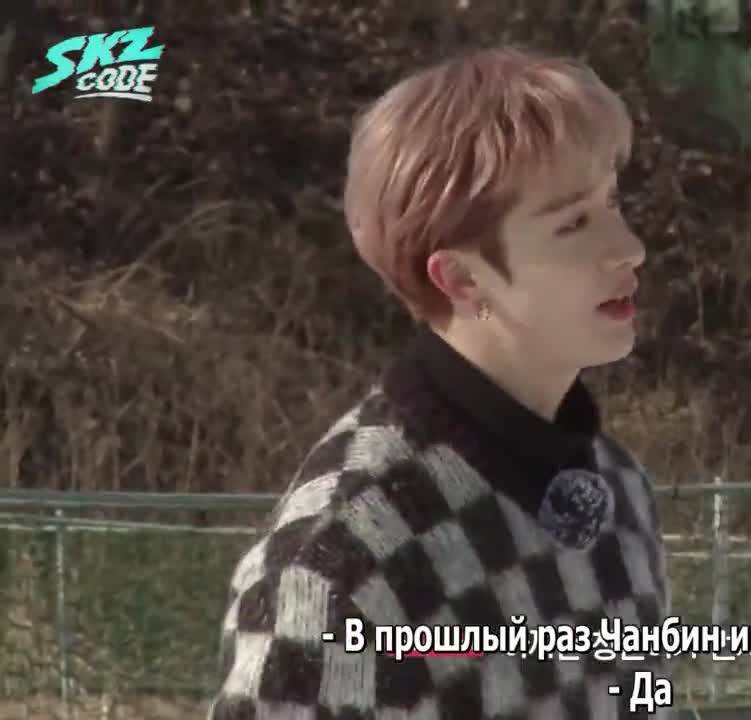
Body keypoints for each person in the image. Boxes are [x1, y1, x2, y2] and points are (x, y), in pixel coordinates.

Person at [207, 46, 671, 719]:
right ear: (460, 278)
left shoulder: (618, 488)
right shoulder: (340, 563)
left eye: (612, 203)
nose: (629, 248)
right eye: (573, 223)